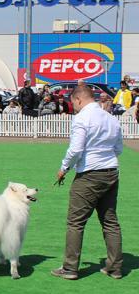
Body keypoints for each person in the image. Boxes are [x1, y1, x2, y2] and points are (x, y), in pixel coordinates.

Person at [52, 85, 123, 280]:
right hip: (111, 172)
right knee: (110, 221)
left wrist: (63, 168)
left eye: (73, 103)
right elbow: (118, 149)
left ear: (78, 100)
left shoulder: (82, 118)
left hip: (89, 174)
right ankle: (115, 267)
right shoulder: (111, 119)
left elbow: (76, 150)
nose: (73, 107)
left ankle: (70, 268)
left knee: (75, 222)